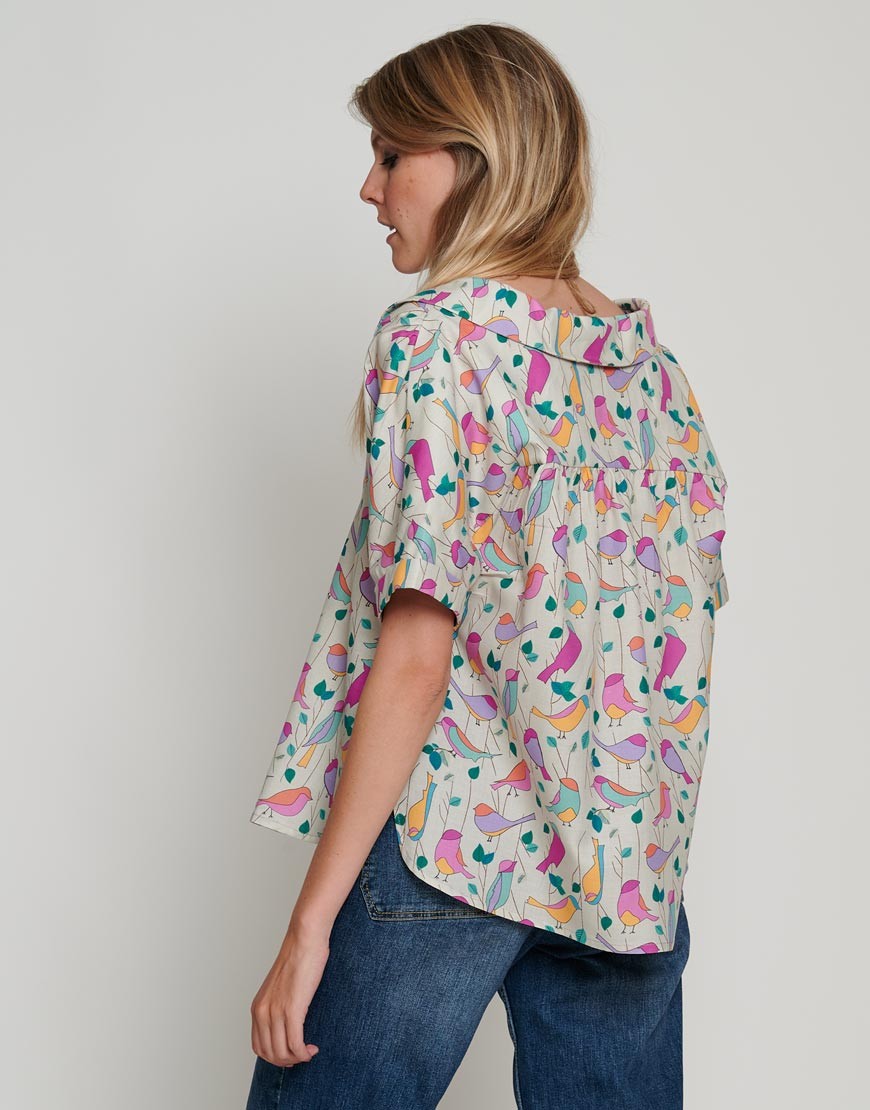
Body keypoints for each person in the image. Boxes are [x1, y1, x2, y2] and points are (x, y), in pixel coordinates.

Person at [245, 21, 730, 1110]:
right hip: (626, 863)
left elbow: (420, 655)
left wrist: (308, 928)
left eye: (392, 154)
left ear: (472, 159)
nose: (370, 188)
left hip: (457, 839)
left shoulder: (438, 340)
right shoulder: (652, 370)